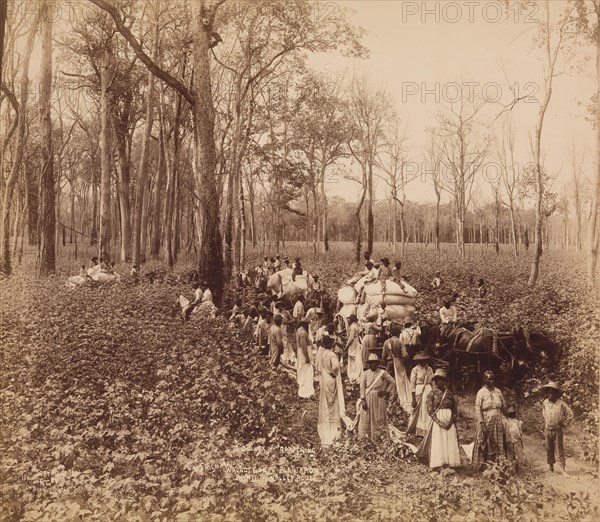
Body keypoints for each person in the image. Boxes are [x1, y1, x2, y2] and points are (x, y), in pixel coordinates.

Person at [419, 368, 461, 470]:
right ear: (435, 381)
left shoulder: (450, 394)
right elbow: (430, 410)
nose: (440, 382)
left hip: (449, 423)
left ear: (445, 381)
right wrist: (439, 422)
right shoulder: (432, 394)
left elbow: (454, 409)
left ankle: (450, 463)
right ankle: (439, 463)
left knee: (449, 441)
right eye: (438, 380)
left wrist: (451, 422)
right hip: (438, 422)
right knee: (439, 442)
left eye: (442, 379)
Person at [472, 370, 507, 469]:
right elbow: (478, 408)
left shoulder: (498, 391)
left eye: (493, 379)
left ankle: (497, 465)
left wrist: (507, 418)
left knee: (498, 441)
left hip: (498, 421)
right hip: (486, 421)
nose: (491, 381)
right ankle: (483, 465)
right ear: (484, 380)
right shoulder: (481, 392)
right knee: (484, 441)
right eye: (489, 379)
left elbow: (503, 405)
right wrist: (482, 424)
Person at [358, 353, 396, 441]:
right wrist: (363, 399)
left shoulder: (382, 373)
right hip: (368, 397)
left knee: (379, 417)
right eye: (371, 363)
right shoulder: (365, 373)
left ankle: (378, 436)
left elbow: (392, 381)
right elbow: (362, 387)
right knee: (366, 416)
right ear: (369, 364)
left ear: (377, 363)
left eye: (375, 363)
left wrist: (386, 392)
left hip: (378, 398)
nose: (373, 365)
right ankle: (366, 437)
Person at [541, 381, 574, 476]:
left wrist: (564, 423)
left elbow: (570, 414)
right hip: (548, 429)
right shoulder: (545, 403)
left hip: (557, 430)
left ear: (556, 393)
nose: (550, 394)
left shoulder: (561, 403)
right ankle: (550, 467)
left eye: (552, 392)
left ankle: (563, 469)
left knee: (559, 449)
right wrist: (547, 421)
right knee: (548, 448)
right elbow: (544, 412)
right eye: (549, 392)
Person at [317, 335, 342, 446]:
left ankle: (326, 422)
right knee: (332, 400)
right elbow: (336, 366)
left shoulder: (322, 354)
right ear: (331, 345)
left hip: (324, 378)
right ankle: (332, 425)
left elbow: (318, 367)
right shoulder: (332, 354)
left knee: (326, 400)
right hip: (331, 378)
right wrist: (334, 373)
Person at [381, 326, 412, 412]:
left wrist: (384, 363)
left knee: (387, 379)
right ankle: (398, 396)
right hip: (398, 363)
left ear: (391, 333)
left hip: (389, 362)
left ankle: (385, 397)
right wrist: (404, 361)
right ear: (398, 334)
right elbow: (405, 355)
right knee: (400, 380)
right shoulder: (400, 342)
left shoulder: (386, 342)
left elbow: (383, 355)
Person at [407, 352, 434, 436]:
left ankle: (427, 429)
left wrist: (434, 392)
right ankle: (418, 431)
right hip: (419, 390)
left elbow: (433, 382)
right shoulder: (415, 370)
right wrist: (413, 398)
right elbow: (412, 384)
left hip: (428, 389)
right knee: (418, 409)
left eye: (425, 360)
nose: (423, 362)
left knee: (427, 408)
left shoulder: (430, 369)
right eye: (421, 360)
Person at [296, 318, 314, 399]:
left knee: (302, 369)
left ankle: (301, 384)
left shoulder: (298, 330)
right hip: (304, 353)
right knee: (307, 370)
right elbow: (304, 346)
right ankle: (306, 390)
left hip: (300, 352)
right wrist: (307, 357)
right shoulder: (303, 333)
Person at [504, 406, 524, 471]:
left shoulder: (517, 422)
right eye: (510, 413)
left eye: (513, 413)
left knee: (518, 456)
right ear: (508, 414)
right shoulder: (505, 422)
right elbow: (505, 433)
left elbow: (520, 433)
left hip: (517, 442)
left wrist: (521, 442)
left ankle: (518, 469)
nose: (512, 414)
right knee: (510, 457)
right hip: (509, 442)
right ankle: (511, 470)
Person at [346, 314, 362, 383]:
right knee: (357, 357)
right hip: (357, 342)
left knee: (353, 358)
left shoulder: (352, 326)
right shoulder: (357, 326)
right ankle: (356, 374)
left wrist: (347, 345)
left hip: (353, 343)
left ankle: (353, 375)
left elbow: (351, 338)